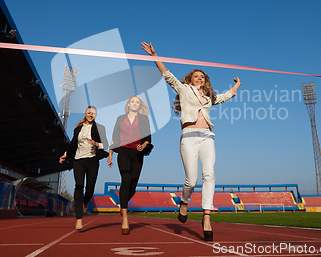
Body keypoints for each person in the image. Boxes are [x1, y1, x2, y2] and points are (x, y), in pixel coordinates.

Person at [141, 42, 241, 241]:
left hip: (207, 136)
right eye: (196, 76)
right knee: (191, 180)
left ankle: (206, 217)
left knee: (210, 174)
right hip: (188, 137)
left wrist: (237, 85)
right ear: (190, 79)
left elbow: (225, 96)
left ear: (205, 82)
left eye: (202, 77)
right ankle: (184, 202)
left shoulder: (209, 98)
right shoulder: (184, 89)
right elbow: (167, 75)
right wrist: (154, 55)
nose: (199, 78)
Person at [107, 95, 152, 235]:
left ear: (140, 105)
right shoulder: (120, 118)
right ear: (128, 104)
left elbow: (148, 137)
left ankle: (123, 204)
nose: (134, 103)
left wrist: (143, 145)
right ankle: (125, 219)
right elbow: (114, 136)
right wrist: (110, 154)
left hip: (138, 154)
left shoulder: (144, 119)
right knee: (125, 180)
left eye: (137, 102)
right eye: (132, 101)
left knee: (132, 186)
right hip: (123, 152)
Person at [59, 106, 109, 230]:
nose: (91, 115)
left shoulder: (100, 128)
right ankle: (79, 219)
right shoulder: (78, 129)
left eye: (93, 113)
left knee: (90, 190)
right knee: (79, 185)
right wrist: (65, 155)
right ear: (85, 114)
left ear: (95, 115)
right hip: (79, 160)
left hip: (93, 160)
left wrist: (96, 143)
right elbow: (73, 144)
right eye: (89, 113)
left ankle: (86, 201)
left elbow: (106, 145)